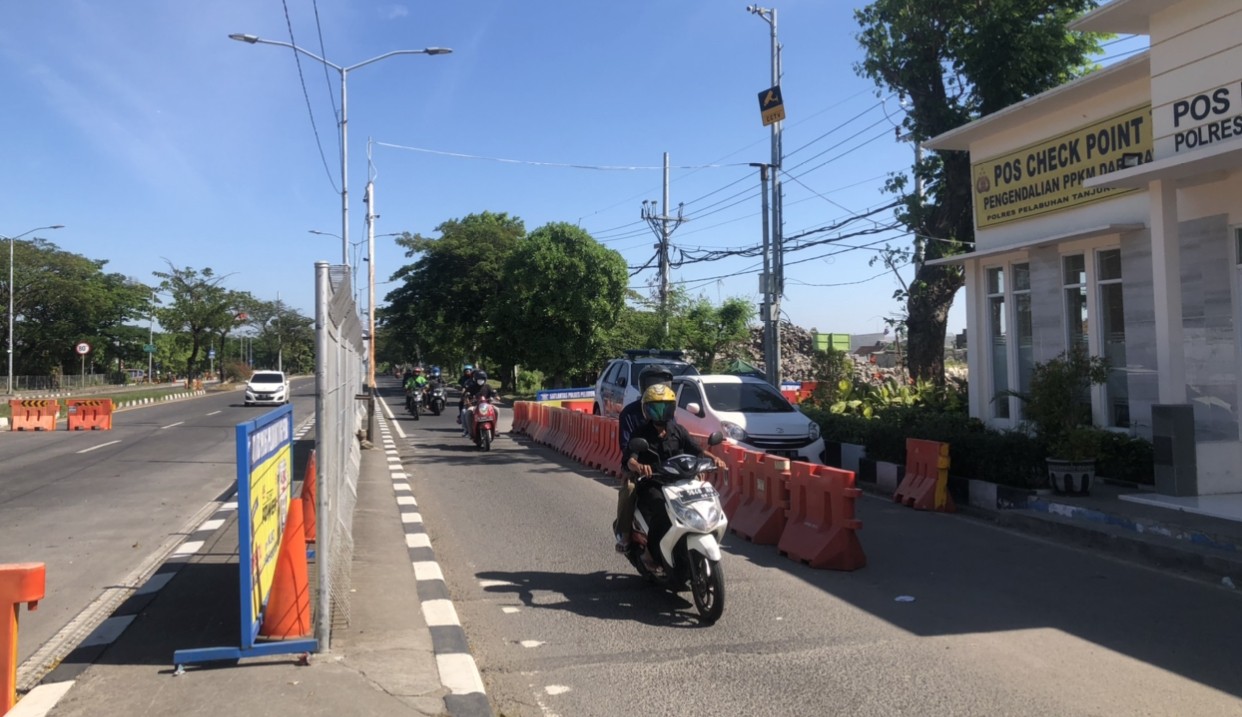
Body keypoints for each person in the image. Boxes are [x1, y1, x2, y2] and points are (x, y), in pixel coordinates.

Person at [620, 384, 726, 570]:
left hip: (679, 481)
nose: (660, 413)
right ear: (646, 410)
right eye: (655, 408)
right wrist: (639, 466)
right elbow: (631, 460)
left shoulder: (678, 430)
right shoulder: (641, 433)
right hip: (653, 482)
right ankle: (649, 551)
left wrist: (715, 459)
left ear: (672, 408)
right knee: (661, 508)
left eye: (665, 408)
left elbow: (697, 450)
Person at [614, 364, 675, 552]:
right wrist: (634, 465)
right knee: (630, 489)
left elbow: (676, 440)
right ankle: (624, 534)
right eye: (653, 383)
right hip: (638, 465)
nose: (658, 387)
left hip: (665, 467)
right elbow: (626, 446)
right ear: (643, 386)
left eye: (663, 383)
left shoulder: (668, 411)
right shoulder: (630, 413)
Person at [461, 369, 498, 437]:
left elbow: (494, 395)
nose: (480, 380)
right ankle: (470, 431)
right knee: (468, 412)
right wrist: (468, 401)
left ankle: (495, 428)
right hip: (474, 406)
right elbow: (465, 396)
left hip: (487, 406)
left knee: (496, 410)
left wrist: (496, 397)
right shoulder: (471, 387)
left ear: (485, 379)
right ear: (475, 379)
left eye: (482, 379)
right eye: (479, 379)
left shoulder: (488, 387)